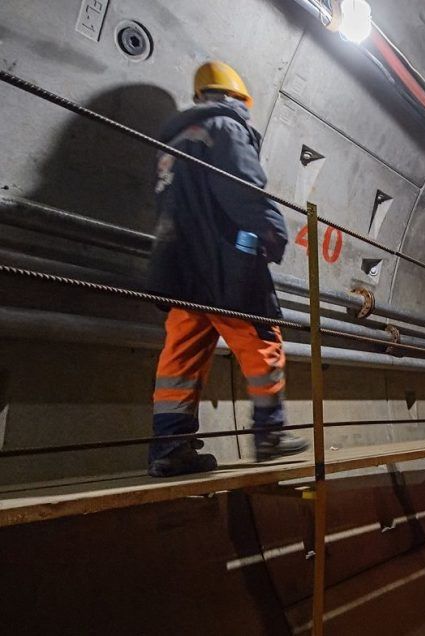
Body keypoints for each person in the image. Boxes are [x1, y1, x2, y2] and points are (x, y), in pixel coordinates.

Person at [146, 61, 309, 477]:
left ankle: (170, 447)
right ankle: (269, 435)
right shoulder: (226, 126)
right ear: (234, 98)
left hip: (179, 271)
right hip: (223, 264)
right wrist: (272, 233)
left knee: (180, 358)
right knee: (261, 337)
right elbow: (241, 186)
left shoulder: (172, 141)